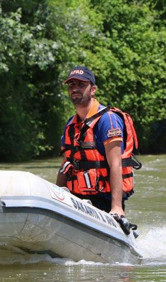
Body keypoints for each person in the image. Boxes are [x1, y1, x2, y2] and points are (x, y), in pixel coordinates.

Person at [56, 66, 139, 219]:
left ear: (93, 89)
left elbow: (116, 164)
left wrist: (116, 207)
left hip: (104, 199)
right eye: (71, 85)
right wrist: (55, 197)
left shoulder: (107, 120)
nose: (75, 88)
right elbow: (66, 163)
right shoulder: (71, 125)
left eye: (81, 85)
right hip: (77, 198)